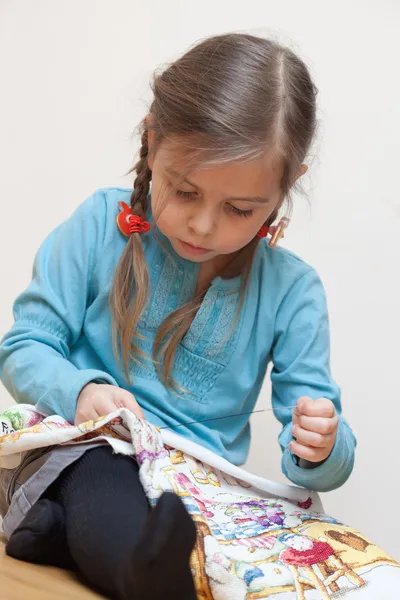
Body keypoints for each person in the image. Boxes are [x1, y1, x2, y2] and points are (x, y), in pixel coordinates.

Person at [0, 33, 356, 599]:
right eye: (184, 191)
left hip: (203, 487)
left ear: (287, 187)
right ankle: (149, 579)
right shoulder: (99, 226)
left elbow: (316, 464)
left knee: (304, 557)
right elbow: (25, 345)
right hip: (94, 446)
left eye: (240, 209)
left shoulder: (294, 291)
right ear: (151, 140)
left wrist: (320, 443)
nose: (204, 226)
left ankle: (56, 534)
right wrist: (81, 390)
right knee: (107, 484)